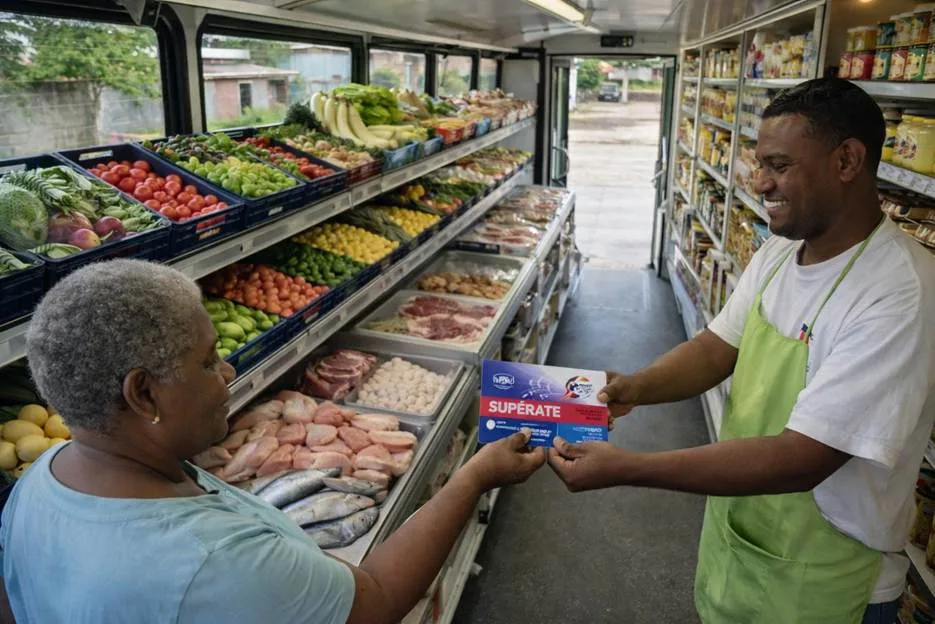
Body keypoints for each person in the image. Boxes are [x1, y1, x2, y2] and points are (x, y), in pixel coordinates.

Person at [548, 77, 935, 623]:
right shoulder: (781, 251)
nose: (760, 183)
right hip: (743, 539)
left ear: (847, 160)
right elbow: (716, 348)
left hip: (828, 582)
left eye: (779, 166)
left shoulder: (899, 292)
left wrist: (630, 468)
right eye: (760, 164)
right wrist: (632, 387)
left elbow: (805, 458)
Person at [0, 259, 545, 623]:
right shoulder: (216, 560)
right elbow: (375, 602)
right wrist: (476, 475)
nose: (228, 369)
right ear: (143, 394)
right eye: (208, 361)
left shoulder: (40, 480)